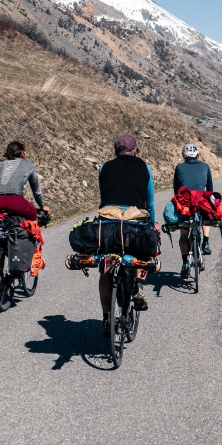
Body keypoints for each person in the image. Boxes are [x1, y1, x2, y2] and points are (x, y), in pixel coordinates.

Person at [96, 134, 159, 335]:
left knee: (106, 270)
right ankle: (138, 287)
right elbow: (149, 203)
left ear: (115, 153)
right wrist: (153, 225)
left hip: (108, 222)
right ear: (135, 151)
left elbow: (103, 198)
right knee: (143, 253)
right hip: (134, 222)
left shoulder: (104, 168)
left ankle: (107, 318)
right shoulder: (145, 167)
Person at [173, 142, 214, 278]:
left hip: (185, 204)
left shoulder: (179, 167)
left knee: (183, 235)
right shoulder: (205, 166)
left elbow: (176, 190)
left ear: (184, 155)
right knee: (206, 214)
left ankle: (185, 262)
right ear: (197, 154)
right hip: (200, 202)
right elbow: (210, 189)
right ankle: (206, 242)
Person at [0, 140, 50, 221]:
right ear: (22, 153)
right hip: (16, 201)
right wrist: (42, 206)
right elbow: (36, 191)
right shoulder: (29, 166)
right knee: (34, 216)